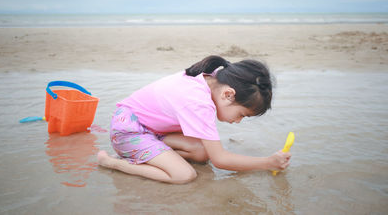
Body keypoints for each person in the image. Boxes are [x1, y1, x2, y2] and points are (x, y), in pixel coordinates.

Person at [97, 55, 291, 184]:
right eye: (241, 114)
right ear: (228, 94)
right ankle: (113, 162)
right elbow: (221, 160)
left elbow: (212, 155)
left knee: (201, 153)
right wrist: (267, 163)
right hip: (128, 132)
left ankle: (153, 151)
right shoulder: (198, 102)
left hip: (150, 128)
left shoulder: (213, 79)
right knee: (184, 175)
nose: (238, 121)